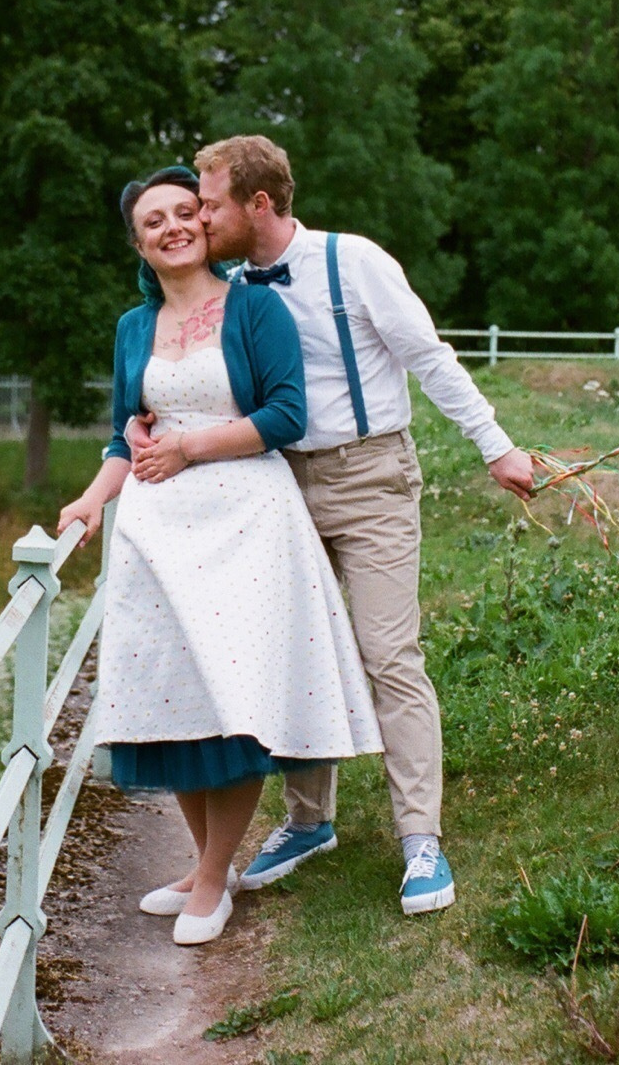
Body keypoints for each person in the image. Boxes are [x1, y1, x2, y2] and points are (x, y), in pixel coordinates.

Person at [130, 135, 534, 916]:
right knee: (294, 654)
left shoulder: (356, 263)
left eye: (209, 204)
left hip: (370, 475)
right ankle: (308, 821)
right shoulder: (230, 287)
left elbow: (431, 357)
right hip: (275, 484)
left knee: (388, 655)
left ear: (258, 204)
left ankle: (421, 839)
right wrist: (145, 424)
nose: (199, 219)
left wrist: (497, 447)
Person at [57, 165, 382, 947]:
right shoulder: (133, 327)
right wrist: (91, 500)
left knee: (235, 699)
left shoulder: (254, 308)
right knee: (175, 697)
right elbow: (124, 437)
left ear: (205, 225)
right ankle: (209, 865)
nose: (173, 227)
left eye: (184, 212)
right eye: (153, 221)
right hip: (156, 533)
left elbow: (285, 414)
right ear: (139, 244)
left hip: (246, 523)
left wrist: (188, 448)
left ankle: (211, 882)